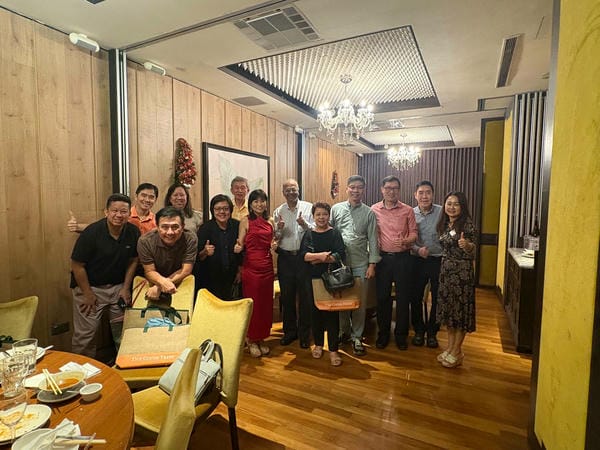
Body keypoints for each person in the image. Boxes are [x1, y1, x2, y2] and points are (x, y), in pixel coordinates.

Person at [70, 194, 140, 358]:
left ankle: (123, 366)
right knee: (85, 336)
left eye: (123, 211)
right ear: (106, 212)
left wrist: (125, 288)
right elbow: (77, 265)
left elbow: (133, 260)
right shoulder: (91, 232)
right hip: (90, 287)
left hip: (118, 288)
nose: (119, 215)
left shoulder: (133, 231)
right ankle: (82, 369)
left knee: (123, 331)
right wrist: (87, 294)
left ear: (129, 213)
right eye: (114, 210)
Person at [330, 175, 380, 357]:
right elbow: (329, 232)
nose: (355, 190)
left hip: (360, 263)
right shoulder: (336, 209)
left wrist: (372, 264)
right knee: (342, 300)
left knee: (359, 302)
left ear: (363, 190)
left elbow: (373, 240)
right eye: (352, 187)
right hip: (340, 264)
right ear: (347, 189)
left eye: (359, 187)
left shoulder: (369, 213)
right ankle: (344, 332)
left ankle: (357, 336)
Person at [371, 175, 418, 350]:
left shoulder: (408, 210)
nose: (391, 191)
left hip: (403, 259)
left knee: (403, 298)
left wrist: (406, 241)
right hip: (382, 259)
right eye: (388, 188)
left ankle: (401, 335)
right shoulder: (373, 209)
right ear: (382, 190)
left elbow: (414, 234)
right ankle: (383, 334)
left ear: (399, 190)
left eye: (395, 188)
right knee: (382, 298)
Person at [299, 202, 345, 366]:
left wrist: (317, 259)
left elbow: (340, 255)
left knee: (332, 314)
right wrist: (322, 256)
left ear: (329, 216)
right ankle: (318, 344)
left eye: (324, 214)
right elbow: (303, 256)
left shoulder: (335, 233)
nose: (321, 217)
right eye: (318, 214)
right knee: (315, 312)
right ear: (313, 216)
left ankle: (333, 349)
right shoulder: (309, 234)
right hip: (312, 279)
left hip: (332, 280)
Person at [436, 191, 477, 368]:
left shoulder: (467, 225)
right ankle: (450, 347)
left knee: (459, 313)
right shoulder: (446, 223)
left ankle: (457, 351)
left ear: (462, 206)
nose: (451, 207)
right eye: (449, 203)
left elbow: (473, 247)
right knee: (450, 312)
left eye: (456, 204)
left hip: (462, 274)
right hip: (446, 272)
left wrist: (467, 245)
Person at [234, 189, 277, 358]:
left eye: (262, 201)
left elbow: (273, 241)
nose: (259, 204)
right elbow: (240, 243)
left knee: (265, 304)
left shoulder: (271, 221)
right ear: (250, 204)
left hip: (267, 266)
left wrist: (274, 244)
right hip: (251, 267)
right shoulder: (245, 221)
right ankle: (251, 339)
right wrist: (238, 248)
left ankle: (261, 337)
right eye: (256, 201)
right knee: (253, 304)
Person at [273, 179, 314, 348]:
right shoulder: (279, 211)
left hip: (304, 258)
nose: (291, 192)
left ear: (299, 190)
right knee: (287, 297)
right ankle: (290, 332)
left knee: (305, 297)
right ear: (283, 193)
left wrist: (305, 224)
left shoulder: (308, 207)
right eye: (288, 190)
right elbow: (275, 237)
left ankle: (305, 335)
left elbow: (316, 229)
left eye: (294, 189)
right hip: (285, 258)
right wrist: (279, 229)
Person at [137, 206, 198, 300]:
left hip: (181, 281)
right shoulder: (145, 241)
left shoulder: (190, 238)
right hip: (152, 282)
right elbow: (149, 271)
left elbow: (186, 270)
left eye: (175, 227)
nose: (170, 232)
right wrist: (161, 282)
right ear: (157, 227)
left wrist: (160, 285)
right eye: (164, 227)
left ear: (182, 227)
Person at [410, 181, 443, 348]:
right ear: (415, 195)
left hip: (439, 260)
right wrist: (417, 249)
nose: (424, 196)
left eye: (428, 192)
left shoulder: (442, 212)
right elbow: (407, 238)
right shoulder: (410, 213)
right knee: (415, 297)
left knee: (438, 298)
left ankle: (432, 332)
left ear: (432, 194)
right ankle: (418, 330)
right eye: (421, 193)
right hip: (417, 261)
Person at [195, 194, 242, 300]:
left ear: (230, 210)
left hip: (232, 277)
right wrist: (205, 252)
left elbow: (243, 252)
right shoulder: (205, 228)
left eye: (225, 209)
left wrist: (240, 271)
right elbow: (198, 257)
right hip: (210, 278)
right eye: (218, 209)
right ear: (213, 210)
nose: (222, 212)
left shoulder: (237, 226)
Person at [67, 182, 159, 235]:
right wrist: (77, 227)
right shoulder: (122, 214)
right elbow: (99, 227)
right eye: (143, 195)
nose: (147, 200)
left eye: (151, 197)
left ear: (155, 200)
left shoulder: (157, 220)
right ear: (136, 196)